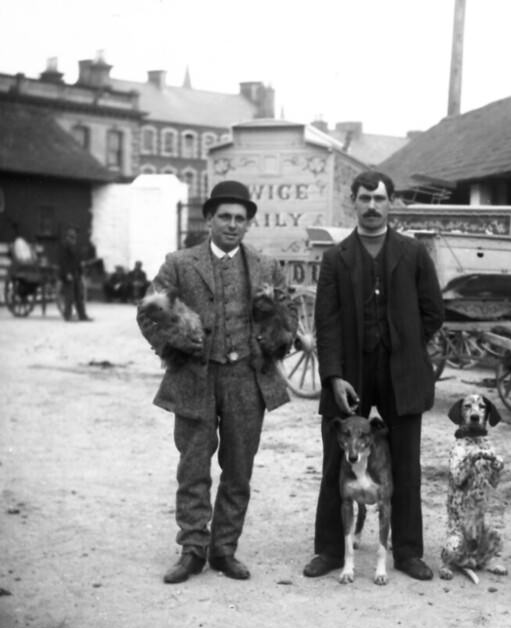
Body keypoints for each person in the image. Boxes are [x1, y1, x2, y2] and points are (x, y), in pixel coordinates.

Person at [136, 180, 298, 584]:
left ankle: (224, 549)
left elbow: (289, 317)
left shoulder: (264, 266)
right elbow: (148, 312)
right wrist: (176, 344)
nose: (231, 225)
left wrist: (272, 338)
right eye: (224, 216)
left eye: (239, 219)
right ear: (209, 219)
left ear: (248, 224)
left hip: (247, 379)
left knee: (239, 468)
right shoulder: (179, 263)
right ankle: (192, 549)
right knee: (193, 467)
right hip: (195, 378)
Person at [303, 170, 444, 581]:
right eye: (364, 199)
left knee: (406, 465)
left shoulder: (413, 254)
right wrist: (333, 376)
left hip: (402, 373)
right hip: (351, 376)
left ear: (390, 204)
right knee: (337, 462)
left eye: (379, 199)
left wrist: (406, 344)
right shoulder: (336, 258)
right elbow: (325, 322)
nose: (371, 206)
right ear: (354, 203)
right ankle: (329, 550)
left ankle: (408, 552)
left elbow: (433, 310)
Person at [59, 226, 91, 321]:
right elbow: (63, 262)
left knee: (79, 296)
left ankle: (82, 316)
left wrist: (81, 265)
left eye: (74, 235)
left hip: (76, 274)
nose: (74, 237)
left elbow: (77, 259)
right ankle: (67, 316)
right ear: (68, 236)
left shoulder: (74, 246)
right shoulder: (64, 246)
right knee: (69, 296)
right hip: (69, 275)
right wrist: (67, 273)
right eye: (72, 235)